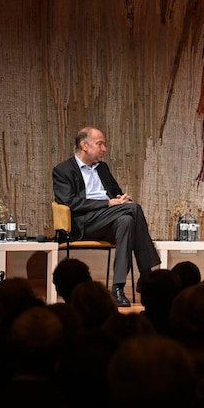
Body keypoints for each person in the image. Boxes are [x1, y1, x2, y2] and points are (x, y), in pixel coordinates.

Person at [52, 126, 161, 307]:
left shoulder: (102, 168)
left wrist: (121, 199)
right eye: (100, 144)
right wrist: (107, 204)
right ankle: (147, 274)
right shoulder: (63, 170)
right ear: (84, 145)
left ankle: (117, 288)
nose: (104, 149)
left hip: (109, 220)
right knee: (134, 210)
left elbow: (115, 194)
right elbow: (69, 202)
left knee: (126, 220)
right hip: (84, 223)